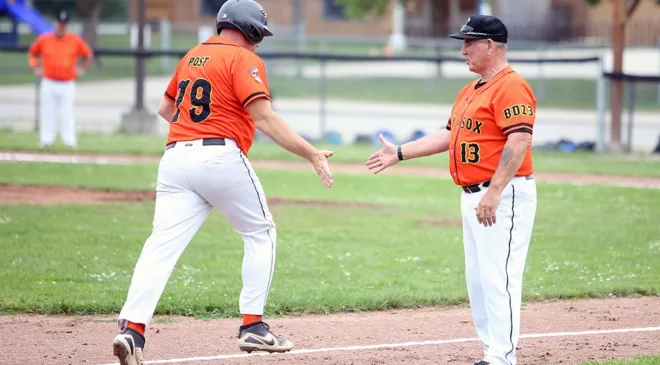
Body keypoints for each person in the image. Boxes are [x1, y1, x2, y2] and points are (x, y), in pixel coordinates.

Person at [111, 1, 334, 364]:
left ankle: (132, 331)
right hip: (219, 156)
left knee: (160, 248)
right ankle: (253, 326)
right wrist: (311, 153)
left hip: (175, 158)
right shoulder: (243, 58)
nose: (258, 42)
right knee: (260, 233)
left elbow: (166, 110)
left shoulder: (192, 56)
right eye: (258, 34)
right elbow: (263, 118)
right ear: (247, 30)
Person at [366, 15, 537, 365]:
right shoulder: (471, 90)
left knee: (498, 277)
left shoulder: (511, 86)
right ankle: (492, 353)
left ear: (490, 45)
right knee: (478, 281)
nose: (463, 50)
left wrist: (495, 191)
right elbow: (449, 135)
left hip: (502, 194)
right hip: (473, 194)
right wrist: (400, 152)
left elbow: (519, 140)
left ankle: (502, 359)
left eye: (469, 43)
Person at [27, 9, 93, 149]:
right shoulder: (44, 39)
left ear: (67, 25)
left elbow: (87, 54)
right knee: (48, 111)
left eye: (64, 24)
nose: (61, 26)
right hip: (49, 81)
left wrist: (82, 69)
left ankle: (69, 141)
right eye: (59, 23)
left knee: (67, 113)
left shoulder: (75, 40)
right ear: (54, 23)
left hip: (67, 82)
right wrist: (35, 67)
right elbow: (33, 53)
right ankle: (46, 141)